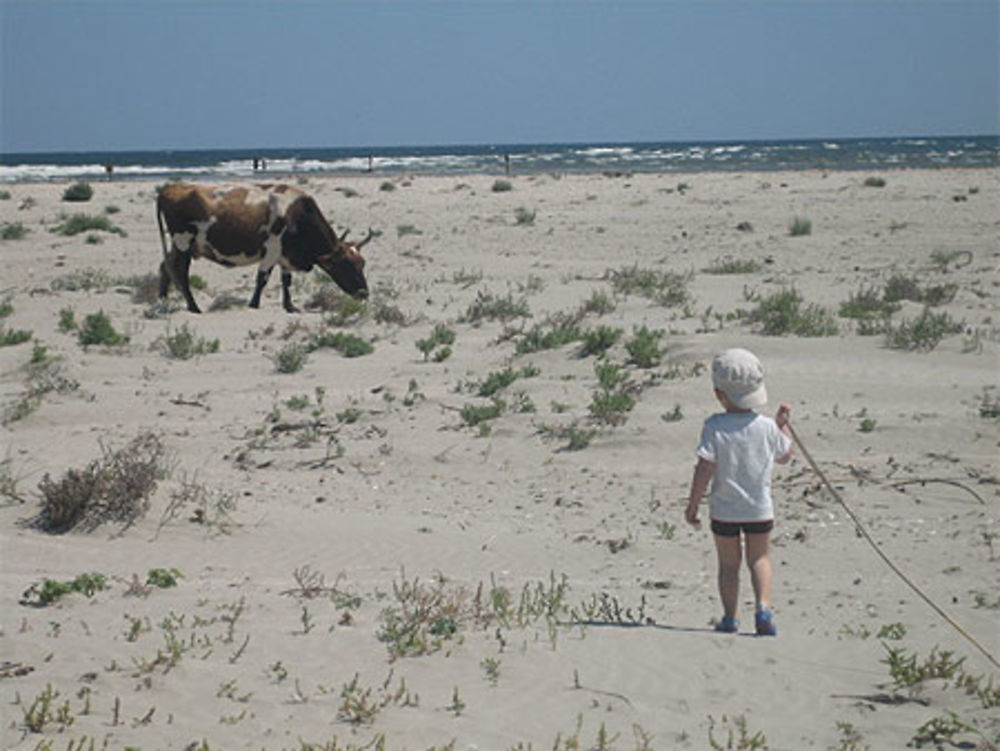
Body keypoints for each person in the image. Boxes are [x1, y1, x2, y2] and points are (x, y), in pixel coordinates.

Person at [684, 348, 793, 636]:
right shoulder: (768, 427)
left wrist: (692, 506)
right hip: (759, 509)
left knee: (729, 564)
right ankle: (763, 608)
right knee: (760, 559)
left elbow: (704, 469)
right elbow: (785, 456)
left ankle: (730, 618)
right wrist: (782, 427)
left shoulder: (714, 426)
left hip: (725, 510)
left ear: (719, 394)